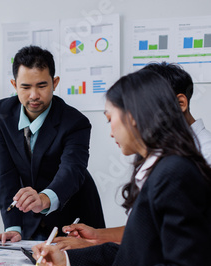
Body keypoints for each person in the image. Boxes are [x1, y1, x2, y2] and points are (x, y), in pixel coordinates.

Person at [24, 69, 211, 266]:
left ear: (135, 117)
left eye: (110, 118)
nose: (109, 129)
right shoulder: (157, 168)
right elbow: (136, 252)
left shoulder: (175, 173)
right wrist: (65, 259)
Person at [55, 62, 211, 251]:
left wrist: (95, 257)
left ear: (180, 104)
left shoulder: (199, 158)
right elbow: (147, 229)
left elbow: (173, 249)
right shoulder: (156, 155)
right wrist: (97, 237)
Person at [0, 45, 105, 244]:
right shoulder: (0, 114)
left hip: (72, 214)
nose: (33, 95)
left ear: (55, 82)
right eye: (25, 87)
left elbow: (72, 169)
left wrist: (44, 198)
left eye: (41, 86)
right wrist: (13, 227)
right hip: (29, 220)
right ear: (14, 85)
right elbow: (5, 173)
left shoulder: (75, 122)